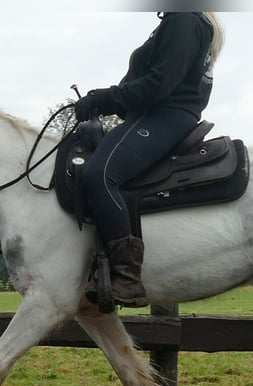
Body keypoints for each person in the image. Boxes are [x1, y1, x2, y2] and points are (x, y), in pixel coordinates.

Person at [74, 11, 224, 307]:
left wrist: (103, 99)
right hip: (153, 115)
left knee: (100, 175)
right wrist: (110, 101)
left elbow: (159, 84)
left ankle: (126, 277)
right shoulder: (179, 21)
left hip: (164, 116)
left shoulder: (184, 19)